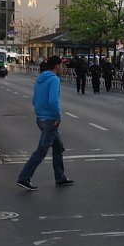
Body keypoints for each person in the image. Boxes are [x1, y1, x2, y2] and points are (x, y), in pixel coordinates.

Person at [16, 55, 74, 191]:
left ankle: (60, 177)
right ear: (56, 66)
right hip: (50, 119)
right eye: (61, 65)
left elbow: (35, 98)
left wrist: (39, 110)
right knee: (41, 151)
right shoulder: (54, 80)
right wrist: (57, 117)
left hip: (40, 117)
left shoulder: (40, 78)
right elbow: (53, 100)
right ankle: (24, 178)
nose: (63, 67)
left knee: (58, 146)